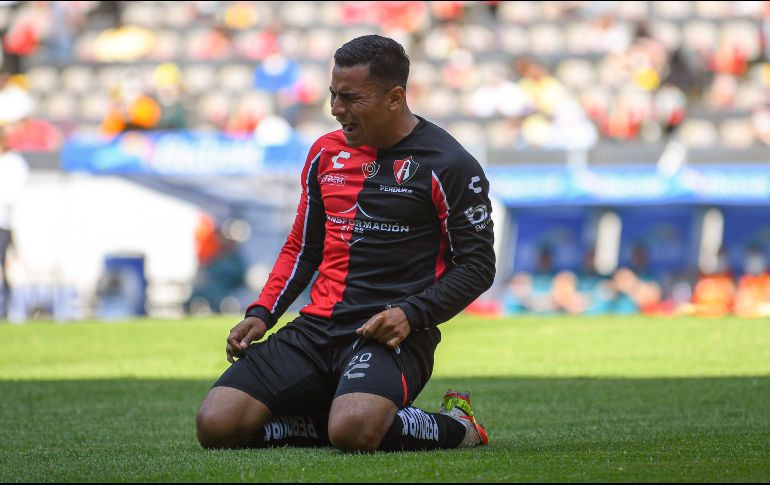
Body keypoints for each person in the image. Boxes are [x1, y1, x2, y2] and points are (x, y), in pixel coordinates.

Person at [196, 35, 495, 453]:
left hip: (391, 334)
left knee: (355, 431)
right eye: (333, 95)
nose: (336, 110)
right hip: (318, 327)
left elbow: (478, 266)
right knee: (217, 425)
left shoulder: (449, 164)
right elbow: (303, 247)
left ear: (394, 97)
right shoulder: (325, 153)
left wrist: (411, 313)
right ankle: (333, 416)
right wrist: (263, 312)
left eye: (350, 98)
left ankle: (456, 425)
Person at [0, 124, 29, 319]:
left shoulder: (14, 163)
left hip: (4, 223)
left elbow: (10, 195)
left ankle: (9, 307)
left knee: (7, 266)